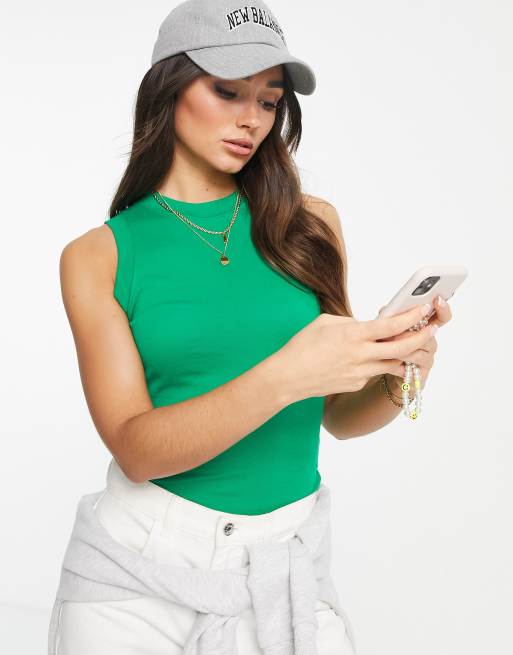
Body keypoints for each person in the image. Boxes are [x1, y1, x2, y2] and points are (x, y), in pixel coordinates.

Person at [50, 0, 446, 653]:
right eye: (228, 91)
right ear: (170, 89)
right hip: (136, 578)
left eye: (268, 100)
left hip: (282, 565)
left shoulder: (310, 226)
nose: (252, 120)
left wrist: (400, 370)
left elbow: (340, 417)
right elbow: (136, 449)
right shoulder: (99, 255)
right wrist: (287, 374)